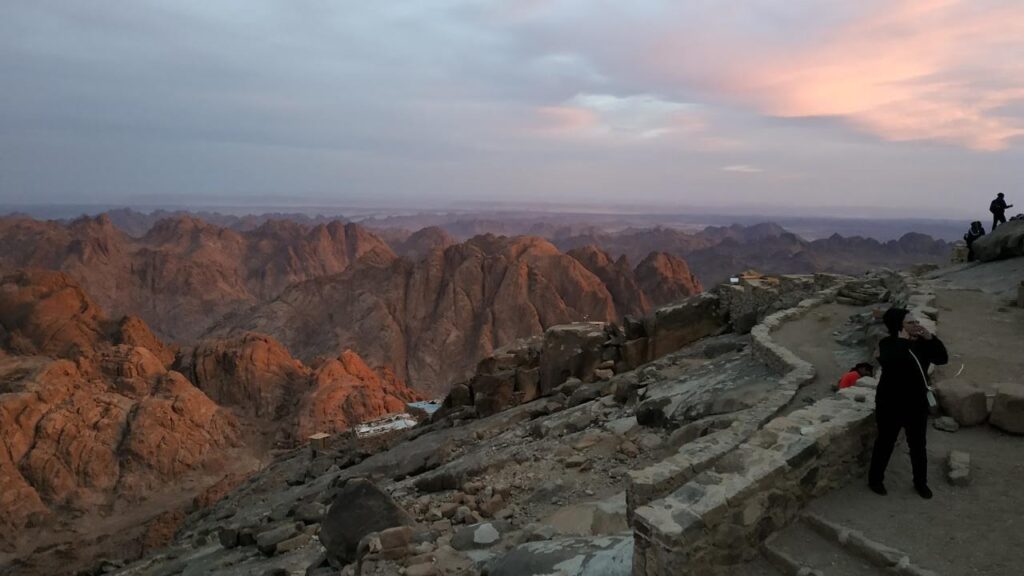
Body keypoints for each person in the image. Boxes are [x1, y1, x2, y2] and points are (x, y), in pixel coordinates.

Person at [868, 308, 948, 499]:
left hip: (916, 403)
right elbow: (893, 364)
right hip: (891, 403)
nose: (916, 325)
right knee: (885, 442)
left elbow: (942, 358)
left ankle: (921, 483)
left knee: (918, 445)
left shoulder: (923, 343)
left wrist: (930, 338)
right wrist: (903, 341)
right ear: (899, 326)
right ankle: (875, 480)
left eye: (916, 321)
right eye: (911, 323)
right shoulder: (887, 344)